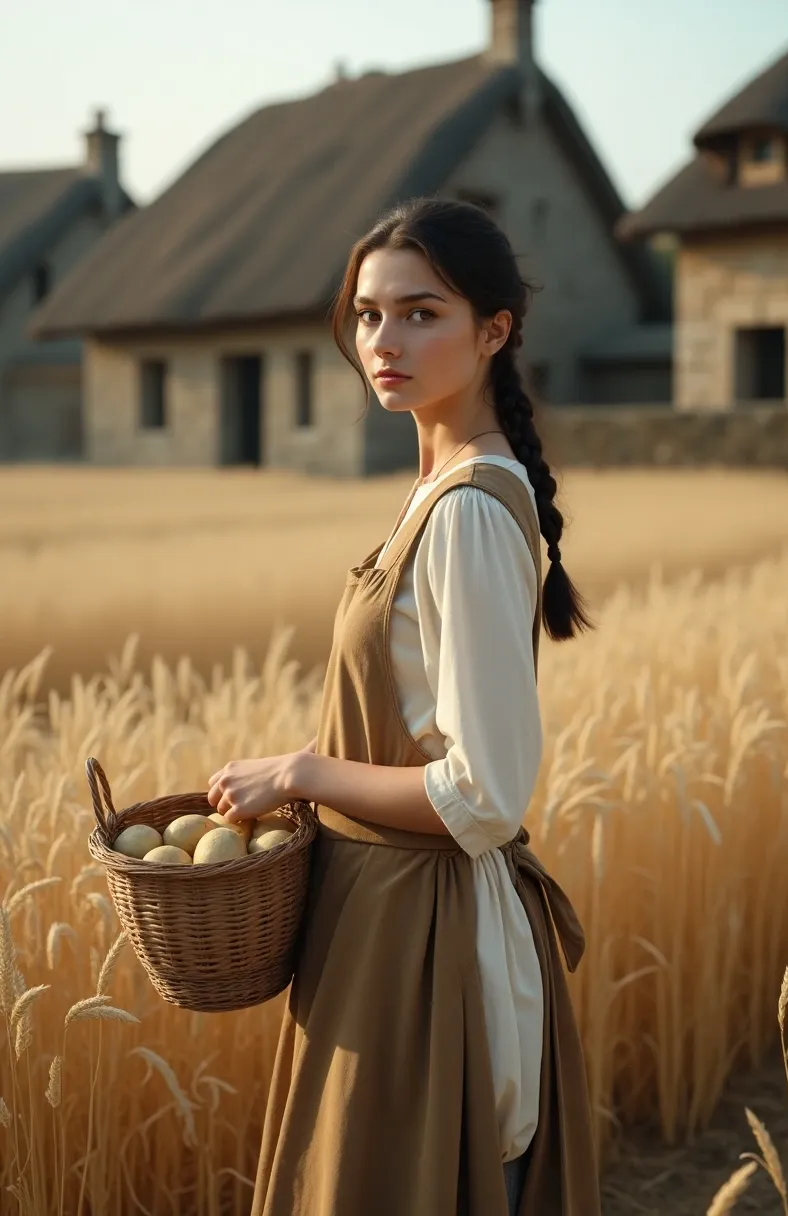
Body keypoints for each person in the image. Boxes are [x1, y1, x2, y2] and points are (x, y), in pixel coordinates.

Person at [207, 197, 601, 1216]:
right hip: (379, 923)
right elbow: (420, 721)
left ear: (494, 331)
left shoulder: (469, 510)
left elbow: (484, 792)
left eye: (421, 313)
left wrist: (300, 772)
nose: (385, 340)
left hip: (428, 945)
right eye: (369, 314)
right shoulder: (442, 486)